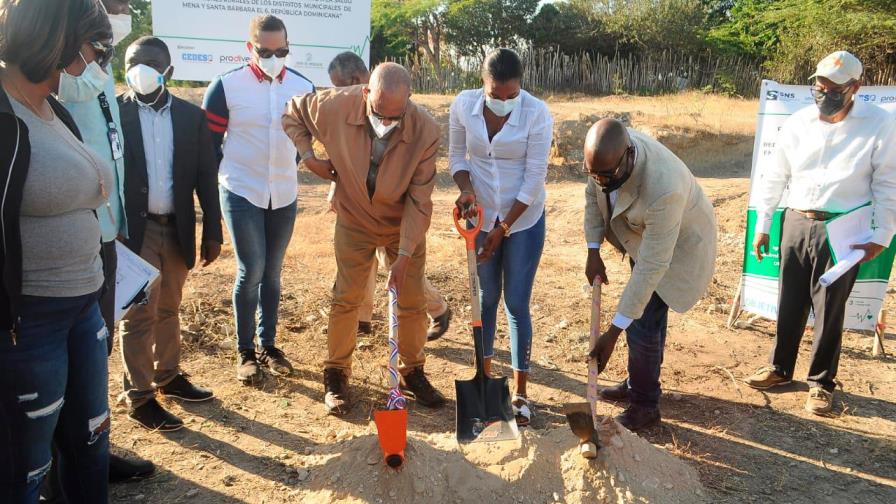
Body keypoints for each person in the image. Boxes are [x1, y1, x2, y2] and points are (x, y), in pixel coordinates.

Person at [0, 1, 118, 501]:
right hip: (29, 323)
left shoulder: (55, 107)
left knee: (90, 441)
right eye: (93, 48)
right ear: (57, 40)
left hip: (82, 306)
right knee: (25, 466)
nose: (95, 63)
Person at [283, 62, 446, 415]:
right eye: (378, 114)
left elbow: (420, 199)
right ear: (365, 93)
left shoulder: (426, 130)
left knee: (413, 301)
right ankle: (336, 374)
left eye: (394, 118)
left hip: (400, 221)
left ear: (409, 102)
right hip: (354, 217)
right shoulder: (334, 105)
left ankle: (412, 372)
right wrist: (309, 157)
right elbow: (292, 111)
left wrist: (402, 255)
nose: (384, 124)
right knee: (347, 297)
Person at [744, 51, 896, 415]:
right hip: (796, 222)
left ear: (854, 88)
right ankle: (780, 368)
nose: (822, 93)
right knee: (789, 300)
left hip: (842, 228)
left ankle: (821, 384)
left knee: (830, 307)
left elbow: (888, 183)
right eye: (818, 85)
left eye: (831, 88)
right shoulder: (798, 123)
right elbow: (775, 175)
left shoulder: (879, 124)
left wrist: (881, 236)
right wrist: (764, 224)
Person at [52, 0, 156, 486]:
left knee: (98, 351)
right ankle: (58, 464)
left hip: (108, 229)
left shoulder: (96, 72)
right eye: (94, 47)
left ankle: (93, 449)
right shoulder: (50, 79)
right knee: (64, 362)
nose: (100, 57)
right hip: (72, 235)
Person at [117, 37, 223, 431]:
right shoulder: (113, 112)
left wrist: (212, 229)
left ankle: (168, 376)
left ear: (169, 72)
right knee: (139, 313)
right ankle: (140, 395)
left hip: (176, 228)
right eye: (132, 62)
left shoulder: (190, 117)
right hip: (134, 231)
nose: (139, 70)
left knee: (170, 307)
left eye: (149, 63)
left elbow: (205, 178)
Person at [584, 118, 717, 431]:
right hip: (643, 239)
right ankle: (638, 382)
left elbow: (652, 268)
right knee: (646, 320)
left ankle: (645, 405)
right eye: (595, 175)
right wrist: (593, 249)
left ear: (628, 156)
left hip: (679, 248)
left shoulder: (663, 188)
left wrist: (612, 334)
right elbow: (593, 198)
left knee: (642, 322)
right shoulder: (603, 158)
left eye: (607, 176)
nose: (601, 181)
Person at [202, 15, 314, 384]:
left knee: (273, 272)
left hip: (283, 192)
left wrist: (290, 166)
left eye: (281, 50)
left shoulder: (302, 88)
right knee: (251, 270)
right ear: (250, 48)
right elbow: (209, 146)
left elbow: (304, 141)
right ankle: (245, 351)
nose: (273, 57)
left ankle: (269, 345)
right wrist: (226, 178)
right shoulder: (226, 86)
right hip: (241, 190)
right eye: (266, 51)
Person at [449, 48, 553, 426]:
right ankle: (487, 383)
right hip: (479, 217)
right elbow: (458, 158)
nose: (505, 101)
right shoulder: (462, 106)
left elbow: (533, 179)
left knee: (515, 302)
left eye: (512, 94)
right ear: (483, 83)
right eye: (496, 94)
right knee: (485, 297)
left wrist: (503, 229)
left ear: (520, 86)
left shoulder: (536, 113)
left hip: (522, 220)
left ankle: (522, 393)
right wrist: (466, 190)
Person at [327, 51, 452, 340]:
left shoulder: (397, 111)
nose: (339, 93)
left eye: (342, 86)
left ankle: (437, 308)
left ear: (361, 82)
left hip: (393, 213)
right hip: (361, 210)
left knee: (396, 268)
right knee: (361, 265)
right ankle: (361, 318)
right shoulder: (354, 110)